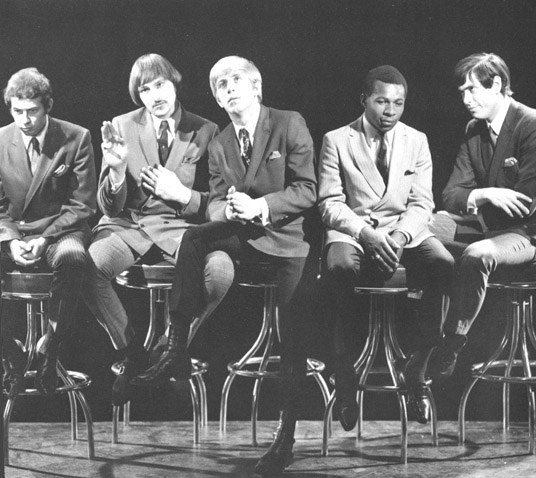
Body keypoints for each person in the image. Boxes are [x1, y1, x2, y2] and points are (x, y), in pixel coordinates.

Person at [133, 55, 318, 477]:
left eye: (237, 80)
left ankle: (285, 439)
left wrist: (260, 206)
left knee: (291, 338)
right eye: (221, 85)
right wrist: (228, 209)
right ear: (217, 99)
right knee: (195, 237)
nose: (229, 88)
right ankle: (177, 347)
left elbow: (308, 190)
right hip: (244, 238)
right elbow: (215, 201)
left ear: (256, 87)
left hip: (286, 244)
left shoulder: (288, 123)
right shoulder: (219, 143)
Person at [82, 53, 234, 406]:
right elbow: (107, 207)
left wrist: (182, 195)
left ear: (175, 83)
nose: (155, 96)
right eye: (145, 90)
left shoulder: (207, 130)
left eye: (160, 85)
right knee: (89, 267)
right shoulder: (121, 125)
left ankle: (170, 347)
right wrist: (116, 171)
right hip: (129, 226)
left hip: (183, 231)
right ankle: (133, 351)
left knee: (221, 273)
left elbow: (218, 201)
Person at [318, 65, 454, 428]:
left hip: (402, 231)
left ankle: (418, 368)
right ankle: (344, 373)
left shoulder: (416, 140)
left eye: (398, 103)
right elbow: (330, 203)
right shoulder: (337, 139)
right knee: (340, 268)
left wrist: (399, 237)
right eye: (381, 101)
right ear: (364, 100)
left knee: (442, 263)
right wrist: (366, 233)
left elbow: (422, 204)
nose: (390, 111)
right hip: (354, 230)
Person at [430, 52, 536, 379]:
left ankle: (452, 341)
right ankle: (427, 339)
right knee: (424, 227)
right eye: (462, 92)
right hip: (488, 226)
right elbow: (451, 194)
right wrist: (484, 194)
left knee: (477, 254)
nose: (466, 99)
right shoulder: (474, 129)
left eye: (472, 89)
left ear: (497, 84)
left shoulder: (533, 125)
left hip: (528, 233)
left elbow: (525, 204)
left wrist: (474, 201)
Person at [0, 67, 96, 397]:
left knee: (73, 257)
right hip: (13, 231)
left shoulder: (76, 137)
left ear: (48, 106)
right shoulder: (0, 140)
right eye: (17, 111)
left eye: (32, 111)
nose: (24, 120)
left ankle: (50, 346)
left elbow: (82, 204)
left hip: (60, 230)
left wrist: (44, 239)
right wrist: (11, 240)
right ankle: (9, 352)